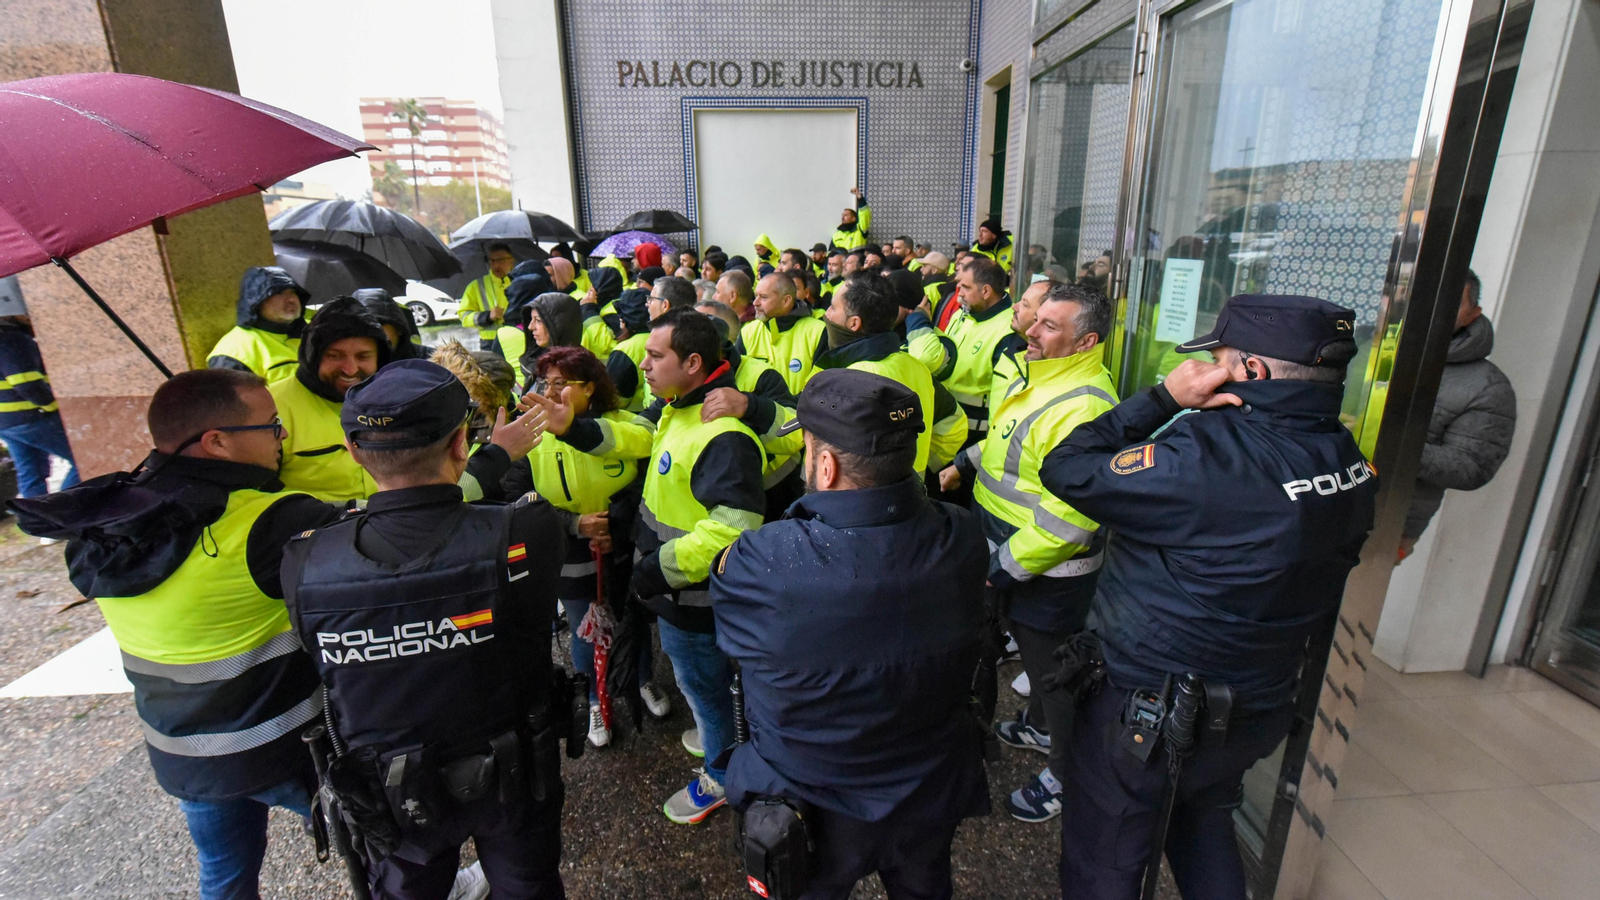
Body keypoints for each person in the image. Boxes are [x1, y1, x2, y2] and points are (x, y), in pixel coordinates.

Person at [1039, 294, 1376, 899]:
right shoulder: (1346, 459)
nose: (1204, 369)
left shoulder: (1204, 455)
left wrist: (1165, 398)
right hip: (1257, 701)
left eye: (1216, 358)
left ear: (1251, 370)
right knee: (1201, 820)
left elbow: (1067, 467)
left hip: (1151, 712)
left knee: (1106, 860)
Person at [10, 369, 346, 900]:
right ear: (217, 441)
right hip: (281, 746)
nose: (284, 436)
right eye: (273, 425)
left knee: (224, 877)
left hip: (182, 752)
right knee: (382, 845)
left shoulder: (113, 518)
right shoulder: (270, 520)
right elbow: (389, 544)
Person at [283, 359, 569, 899]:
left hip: (386, 785)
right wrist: (497, 458)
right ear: (461, 442)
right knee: (527, 885)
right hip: (513, 767)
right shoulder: (524, 528)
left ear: (354, 453)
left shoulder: (306, 560)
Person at [711, 368, 990, 900]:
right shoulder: (962, 535)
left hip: (808, 799)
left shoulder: (761, 560)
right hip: (927, 782)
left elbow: (733, 640)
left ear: (825, 463)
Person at [539, 308, 765, 825]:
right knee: (704, 687)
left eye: (654, 355)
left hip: (694, 598)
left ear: (691, 362)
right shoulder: (680, 408)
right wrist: (572, 428)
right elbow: (629, 440)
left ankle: (723, 775)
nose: (641, 362)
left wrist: (657, 567)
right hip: (678, 593)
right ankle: (719, 738)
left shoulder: (720, 432)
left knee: (704, 687)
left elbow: (733, 527)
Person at [943, 283, 1119, 825]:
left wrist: (1001, 568)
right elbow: (1009, 439)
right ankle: (1041, 728)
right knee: (1043, 671)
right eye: (1034, 318)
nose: (1029, 330)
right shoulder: (1042, 375)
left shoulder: (1085, 406)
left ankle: (1068, 776)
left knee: (1054, 675)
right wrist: (967, 463)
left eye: (1048, 326)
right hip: (1012, 554)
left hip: (1047, 570)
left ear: (1085, 341)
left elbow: (1067, 520)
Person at [503, 346, 671, 748]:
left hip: (622, 545)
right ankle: (595, 698)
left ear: (590, 387)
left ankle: (641, 679)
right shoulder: (531, 432)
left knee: (630, 617)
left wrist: (616, 521)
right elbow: (515, 496)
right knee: (585, 628)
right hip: (569, 552)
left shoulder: (623, 426)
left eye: (561, 383)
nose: (549, 391)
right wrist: (574, 524)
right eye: (546, 382)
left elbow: (648, 483)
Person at [272, 298, 535, 503]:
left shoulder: (401, 401)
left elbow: (432, 493)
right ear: (312, 355)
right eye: (335, 356)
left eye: (363, 356)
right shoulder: (273, 408)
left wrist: (498, 455)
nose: (350, 369)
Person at [1399, 269, 1516, 559]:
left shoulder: (1487, 387)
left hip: (1387, 522)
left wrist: (1391, 444)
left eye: (1449, 302)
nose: (1432, 309)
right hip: (1306, 498)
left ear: (1472, 314)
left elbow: (1472, 466)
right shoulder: (1366, 346)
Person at [0, 304, 79, 502]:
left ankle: (40, 520)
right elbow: (27, 385)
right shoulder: (13, 340)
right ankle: (62, 510)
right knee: (85, 458)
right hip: (32, 418)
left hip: (7, 423)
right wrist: (54, 406)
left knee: (31, 472)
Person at [939, 257, 1015, 450]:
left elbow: (1006, 397)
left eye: (965, 287)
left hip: (975, 437)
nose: (959, 295)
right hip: (947, 426)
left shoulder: (1009, 330)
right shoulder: (963, 314)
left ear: (986, 291)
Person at [207, 266, 308, 382]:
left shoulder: (314, 330)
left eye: (292, 292)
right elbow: (234, 399)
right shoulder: (235, 352)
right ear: (257, 300)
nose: (291, 299)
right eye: (279, 293)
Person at [739, 273, 827, 395]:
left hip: (802, 412)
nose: (755, 303)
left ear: (786, 301)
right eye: (755, 296)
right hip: (756, 412)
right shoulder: (747, 332)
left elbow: (821, 384)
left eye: (763, 297)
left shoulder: (818, 331)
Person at [460, 243, 516, 352]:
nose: (496, 266)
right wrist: (487, 316)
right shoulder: (476, 286)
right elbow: (464, 317)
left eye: (501, 260)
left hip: (517, 338)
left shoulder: (520, 282)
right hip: (490, 342)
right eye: (492, 261)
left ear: (511, 260)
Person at [354, 288, 425, 361]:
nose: (372, 332)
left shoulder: (429, 361)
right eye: (363, 327)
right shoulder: (349, 366)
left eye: (379, 324)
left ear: (398, 328)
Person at [831, 187, 872, 251]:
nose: (842, 217)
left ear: (853, 218)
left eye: (846, 215)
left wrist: (859, 197)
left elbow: (865, 214)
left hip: (858, 260)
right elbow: (831, 254)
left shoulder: (860, 229)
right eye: (842, 215)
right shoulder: (836, 235)